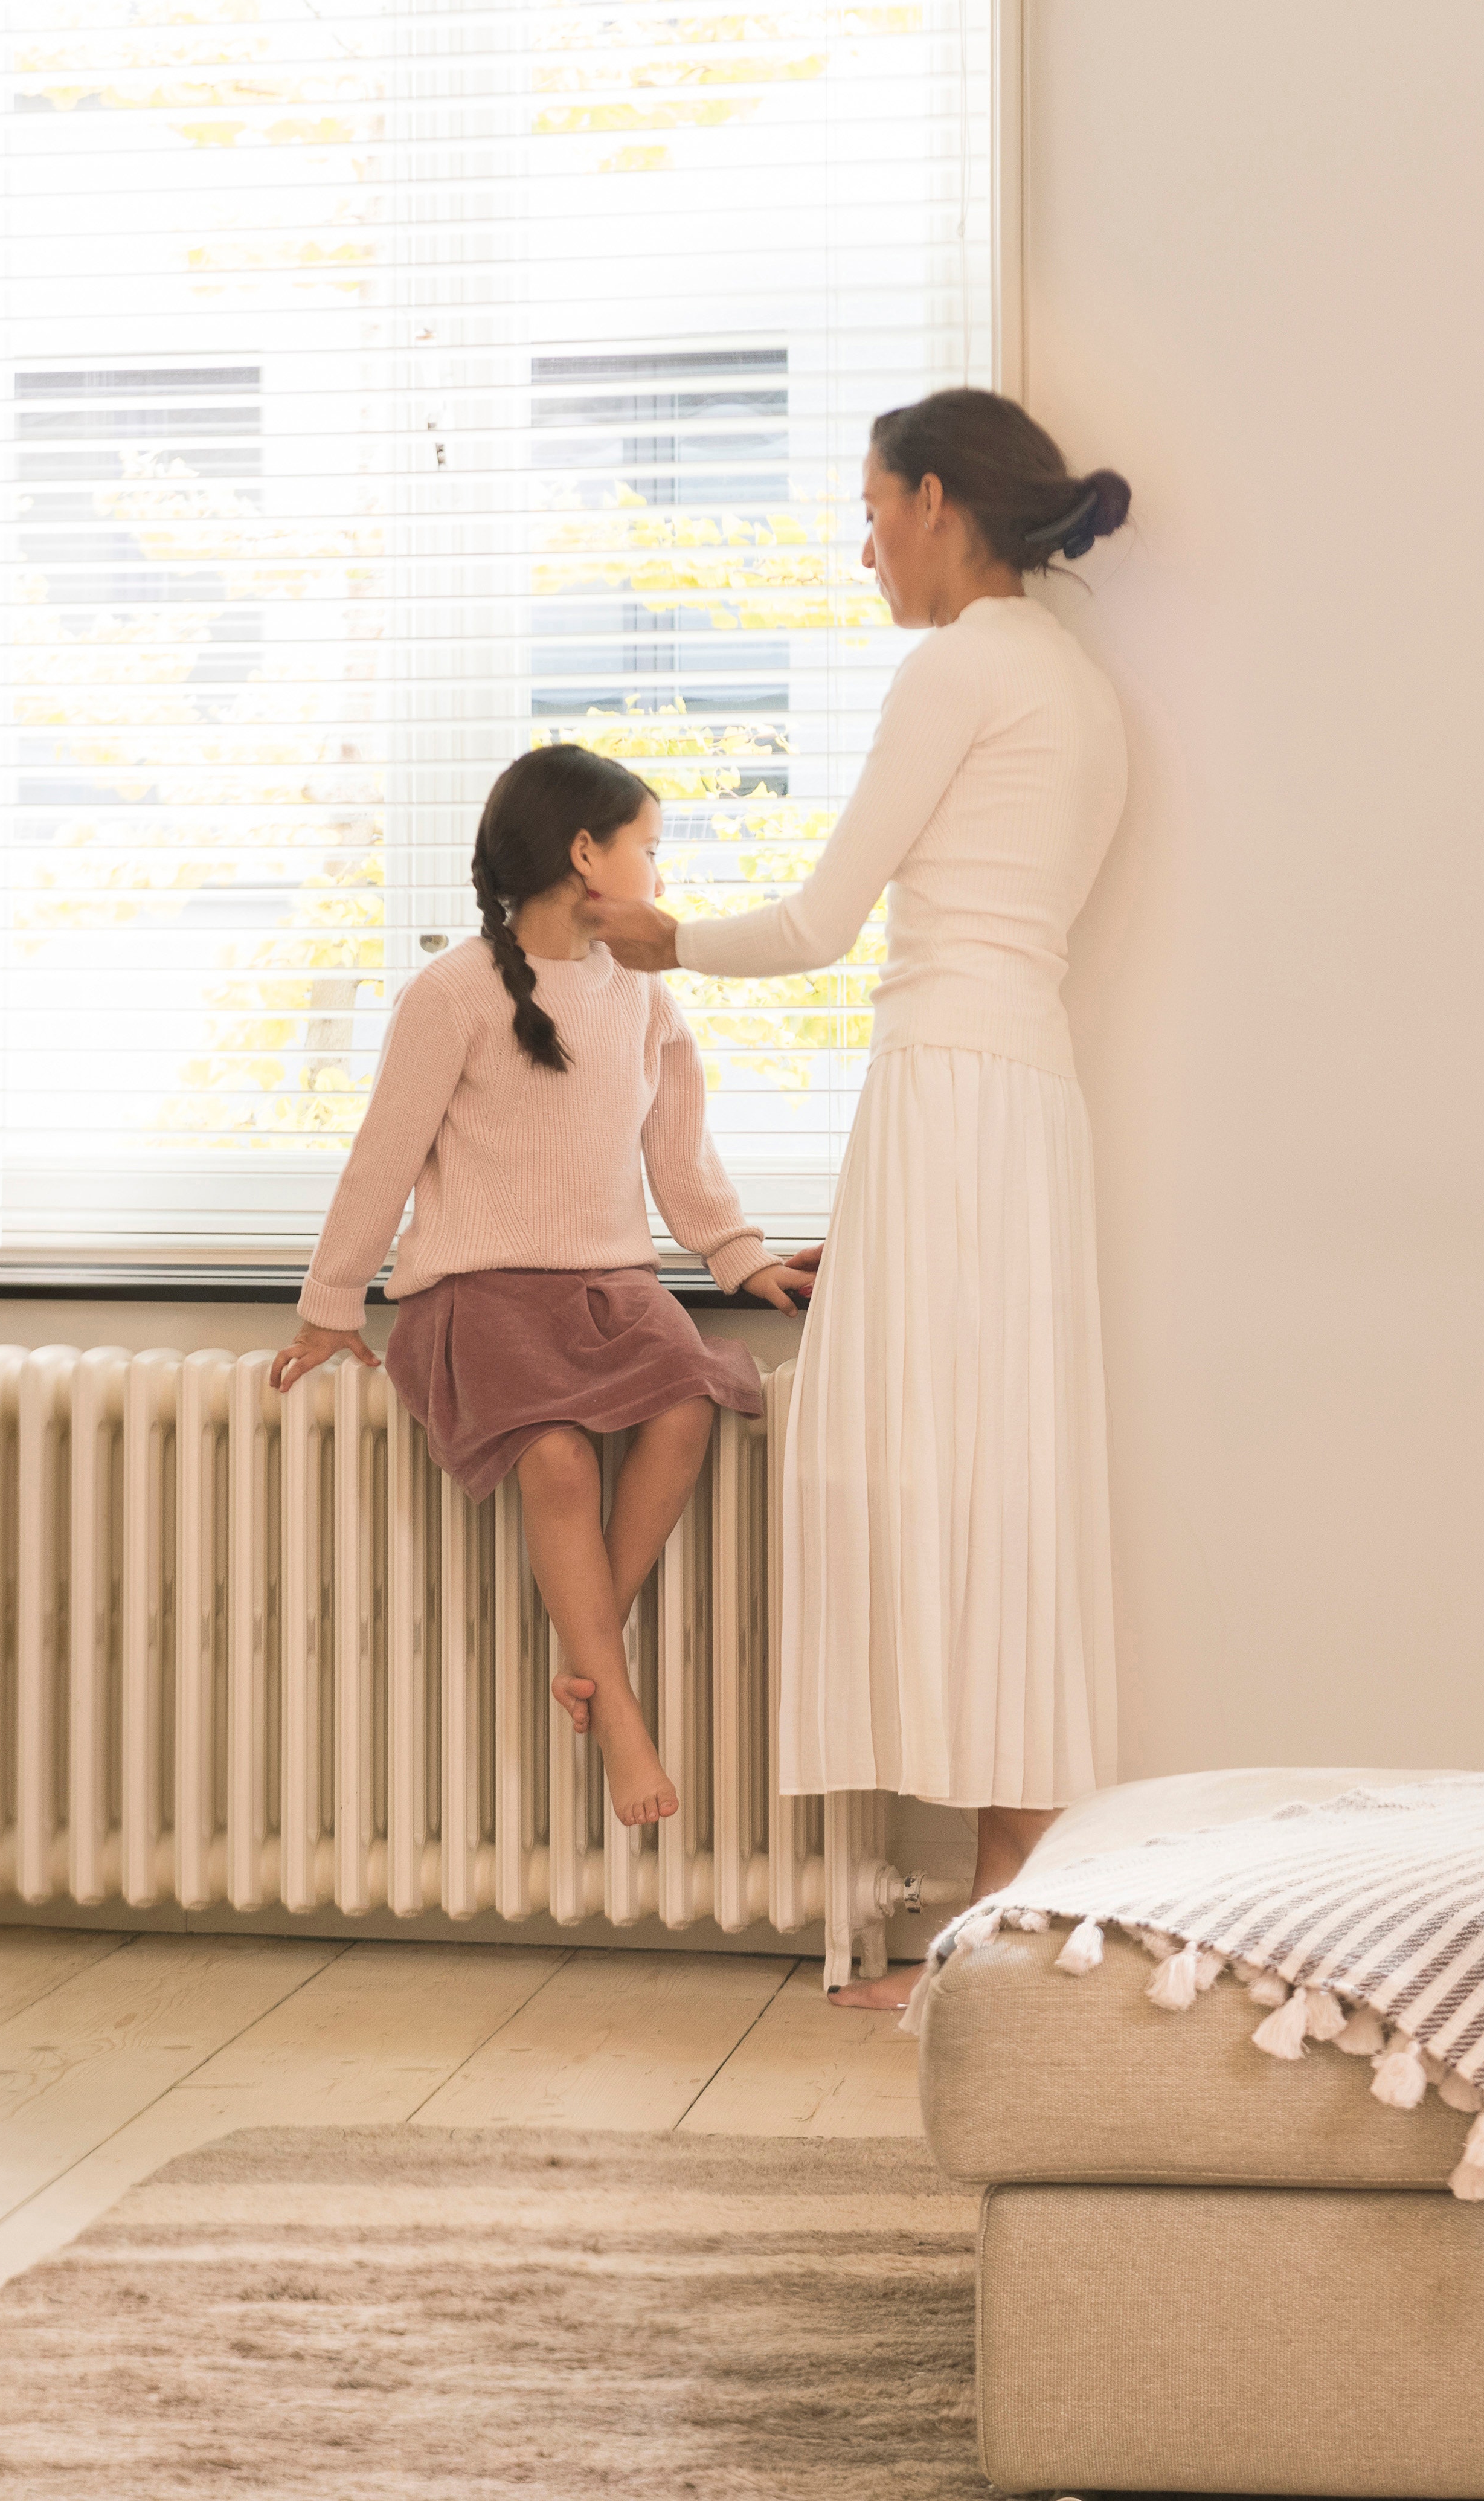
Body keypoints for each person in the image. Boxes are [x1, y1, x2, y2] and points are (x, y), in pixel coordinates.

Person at [580, 388, 1134, 2006]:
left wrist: (657, 935)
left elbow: (826, 922)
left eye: (874, 505)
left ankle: (996, 1924)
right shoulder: (1078, 687)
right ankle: (1005, 1917)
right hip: (1019, 1098)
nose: (865, 542)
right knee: (1005, 1474)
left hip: (951, 1088)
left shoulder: (957, 666)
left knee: (938, 1474)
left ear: (939, 498)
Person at [273, 743, 802, 1827]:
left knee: (690, 1404)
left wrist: (742, 1259)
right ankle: (618, 1716)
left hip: (612, 1289)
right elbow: (382, 1158)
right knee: (557, 1459)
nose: (659, 871)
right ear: (585, 854)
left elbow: (682, 1161)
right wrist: (331, 1306)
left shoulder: (645, 1000)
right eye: (648, 848)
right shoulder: (453, 994)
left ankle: (584, 1655)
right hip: (476, 1296)